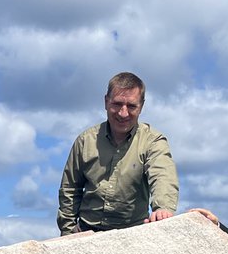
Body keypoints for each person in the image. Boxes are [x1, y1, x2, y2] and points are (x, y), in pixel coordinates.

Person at [56, 71, 179, 235]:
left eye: (131, 106)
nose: (123, 113)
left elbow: (163, 175)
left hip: (132, 233)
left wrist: (163, 208)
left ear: (141, 106)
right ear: (106, 102)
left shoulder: (153, 141)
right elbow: (70, 189)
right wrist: (68, 231)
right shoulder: (85, 141)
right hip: (86, 233)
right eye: (117, 104)